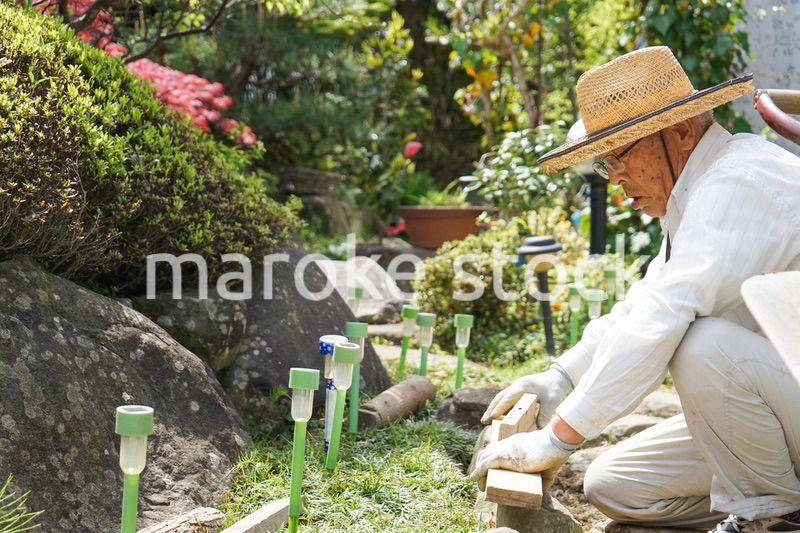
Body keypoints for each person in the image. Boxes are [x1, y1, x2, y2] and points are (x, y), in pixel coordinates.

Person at [470, 46, 800, 533]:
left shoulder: (738, 182)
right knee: (614, 483)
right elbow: (641, 303)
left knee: (701, 347)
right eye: (605, 165)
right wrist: (561, 378)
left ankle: (776, 519)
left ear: (683, 133)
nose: (616, 178)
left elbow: (662, 317)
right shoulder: (696, 193)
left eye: (619, 157)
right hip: (785, 404)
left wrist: (555, 440)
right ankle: (766, 502)